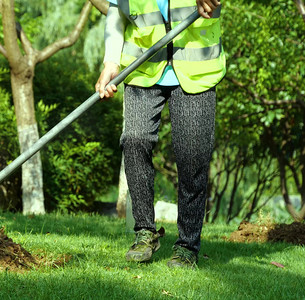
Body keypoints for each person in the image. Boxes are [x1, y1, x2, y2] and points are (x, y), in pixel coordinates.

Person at [95, 0, 225, 269]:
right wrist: (110, 61)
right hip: (142, 69)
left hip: (196, 72)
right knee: (134, 140)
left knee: (192, 156)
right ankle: (144, 232)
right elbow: (116, 12)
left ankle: (187, 246)